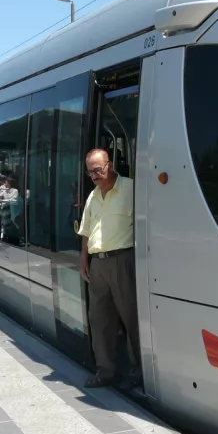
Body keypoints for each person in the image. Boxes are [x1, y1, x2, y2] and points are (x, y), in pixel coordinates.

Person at [77, 148, 140, 389]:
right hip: (98, 264)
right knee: (100, 321)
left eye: (98, 169)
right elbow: (86, 229)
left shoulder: (131, 188)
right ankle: (105, 371)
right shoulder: (93, 196)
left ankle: (137, 374)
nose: (94, 175)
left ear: (110, 165)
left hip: (123, 260)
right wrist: (84, 258)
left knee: (131, 319)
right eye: (90, 172)